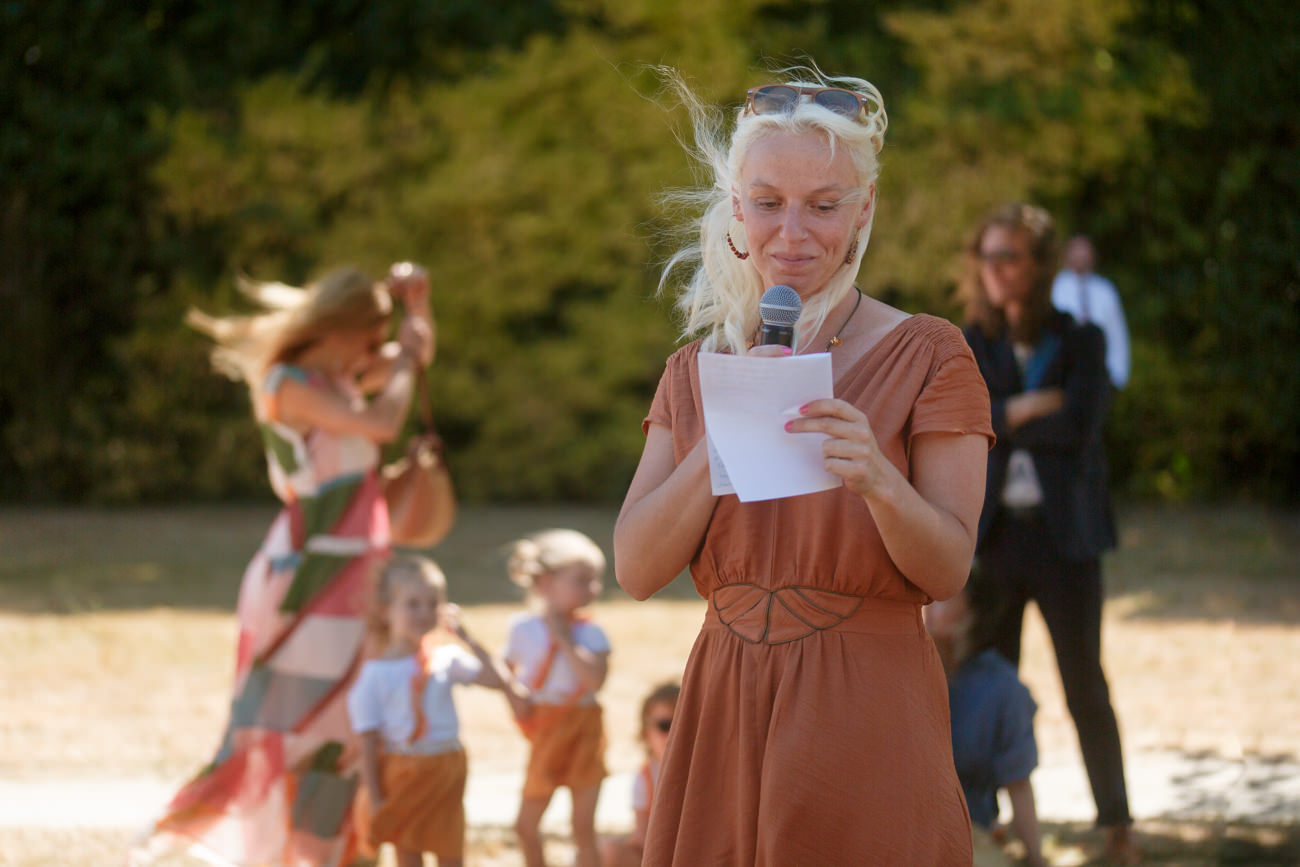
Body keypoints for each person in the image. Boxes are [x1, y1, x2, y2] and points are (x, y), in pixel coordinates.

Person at [614, 67, 995, 865]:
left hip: (863, 710)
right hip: (725, 704)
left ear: (863, 213)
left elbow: (948, 567)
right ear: (736, 212)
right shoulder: (694, 371)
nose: (793, 232)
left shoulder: (929, 354)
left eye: (824, 205)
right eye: (768, 203)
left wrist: (878, 481)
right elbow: (636, 566)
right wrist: (718, 448)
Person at [134, 264, 436, 866]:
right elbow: (385, 420)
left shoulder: (339, 377)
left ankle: (329, 854)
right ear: (340, 327)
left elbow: (416, 354)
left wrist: (418, 307)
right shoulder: (290, 383)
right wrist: (399, 363)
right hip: (308, 580)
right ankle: (283, 853)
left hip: (358, 577)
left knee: (348, 729)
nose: (375, 351)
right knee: (302, 730)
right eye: (369, 337)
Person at [960, 203, 1137, 864]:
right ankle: (980, 821)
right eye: (989, 257)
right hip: (996, 539)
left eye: (1010, 256)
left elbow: (1082, 427)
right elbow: (964, 422)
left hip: (1066, 541)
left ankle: (1117, 823)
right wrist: (1032, 405)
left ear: (1038, 265)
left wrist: (1004, 416)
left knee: (1084, 682)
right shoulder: (971, 341)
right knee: (984, 681)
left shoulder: (1081, 338)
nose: (998, 270)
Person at [347, 555, 519, 867]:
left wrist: (465, 637)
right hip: (404, 770)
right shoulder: (374, 675)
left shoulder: (447, 658)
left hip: (446, 767)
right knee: (408, 852)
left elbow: (499, 680)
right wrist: (373, 797)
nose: (425, 612)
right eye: (413, 604)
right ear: (386, 611)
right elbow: (368, 742)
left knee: (450, 850)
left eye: (432, 603)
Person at [503, 528, 611, 867]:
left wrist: (565, 639)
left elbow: (595, 681)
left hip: (584, 728)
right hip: (547, 729)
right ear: (545, 583)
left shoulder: (591, 632)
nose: (593, 588)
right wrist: (516, 702)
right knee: (525, 825)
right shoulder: (522, 628)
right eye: (582, 580)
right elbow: (506, 671)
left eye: (595, 580)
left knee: (582, 827)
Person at [925, 570, 1046, 867]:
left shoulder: (1002, 689)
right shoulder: (900, 672)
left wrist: (1035, 858)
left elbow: (1018, 784)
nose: (926, 604)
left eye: (943, 598)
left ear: (973, 615)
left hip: (968, 838)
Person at [600, 682, 681, 867]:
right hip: (660, 855)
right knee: (610, 851)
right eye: (664, 725)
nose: (674, 733)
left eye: (682, 723)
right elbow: (642, 836)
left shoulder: (704, 769)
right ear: (646, 733)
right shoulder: (645, 778)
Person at [1051, 235, 1130, 389]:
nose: (1081, 256)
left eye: (1085, 252)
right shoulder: (1056, 287)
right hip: (1063, 374)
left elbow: (1116, 333)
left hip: (1100, 373)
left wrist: (1118, 374)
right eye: (1077, 251)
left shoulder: (1105, 291)